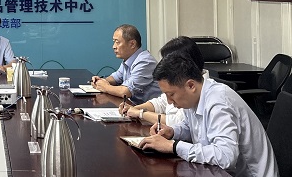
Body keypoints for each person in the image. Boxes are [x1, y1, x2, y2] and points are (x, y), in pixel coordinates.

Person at [140, 52, 279, 176]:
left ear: (191, 85)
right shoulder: (194, 97)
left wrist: (173, 146)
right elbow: (190, 127)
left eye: (171, 95)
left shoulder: (219, 103)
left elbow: (226, 157)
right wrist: (172, 132)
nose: (169, 102)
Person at [120, 36, 209, 126]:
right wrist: (135, 109)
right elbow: (161, 102)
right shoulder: (181, 83)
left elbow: (178, 121)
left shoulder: (197, 91)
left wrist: (141, 113)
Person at [90, 24, 161, 104]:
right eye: (114, 42)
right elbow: (116, 77)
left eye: (117, 42)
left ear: (132, 44)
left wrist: (105, 87)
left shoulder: (145, 62)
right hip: (133, 106)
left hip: (147, 109)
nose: (114, 46)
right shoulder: (128, 59)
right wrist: (101, 81)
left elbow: (125, 92)